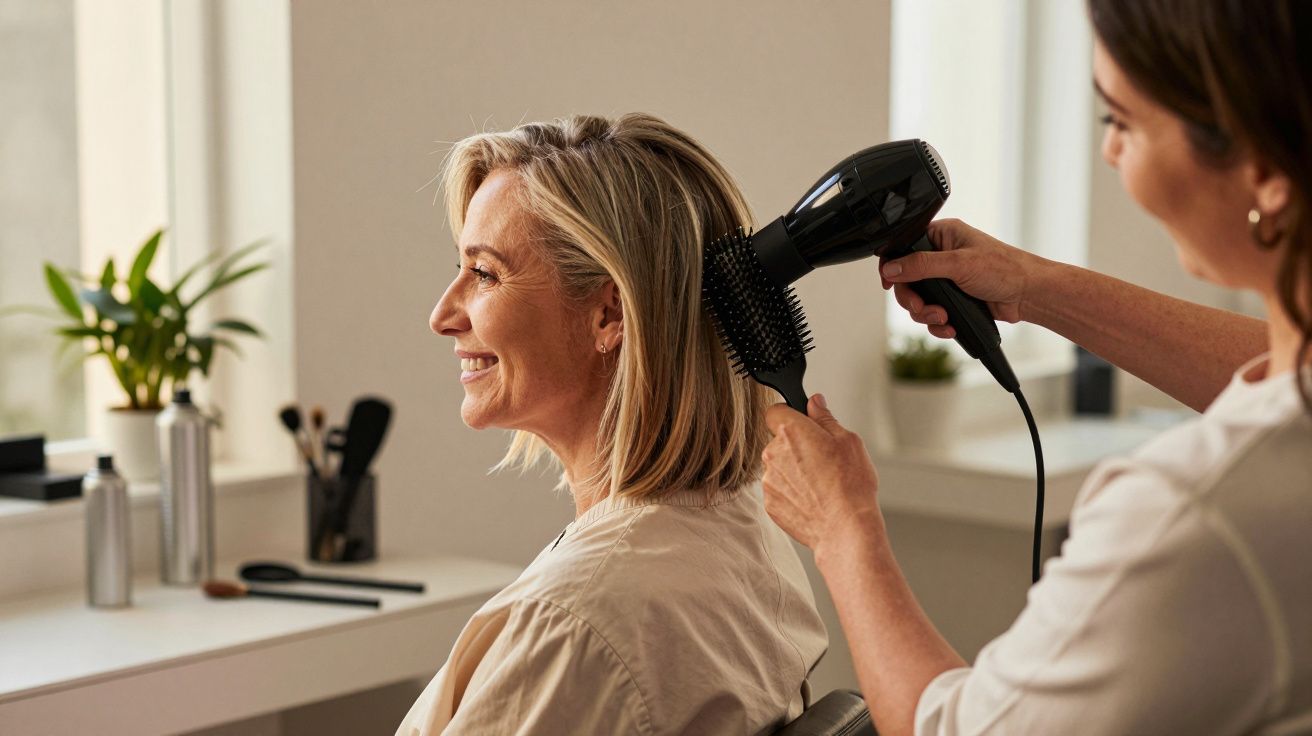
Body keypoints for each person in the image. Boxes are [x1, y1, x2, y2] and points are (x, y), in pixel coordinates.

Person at [759, 1, 1312, 734]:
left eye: (1120, 122)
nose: (1110, 154)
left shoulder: (1195, 512)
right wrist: (1035, 287)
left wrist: (842, 529)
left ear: (1265, 173)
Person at [396, 113, 827, 735]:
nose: (442, 314)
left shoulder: (576, 624)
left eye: (484, 272)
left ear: (607, 315)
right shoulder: (743, 530)